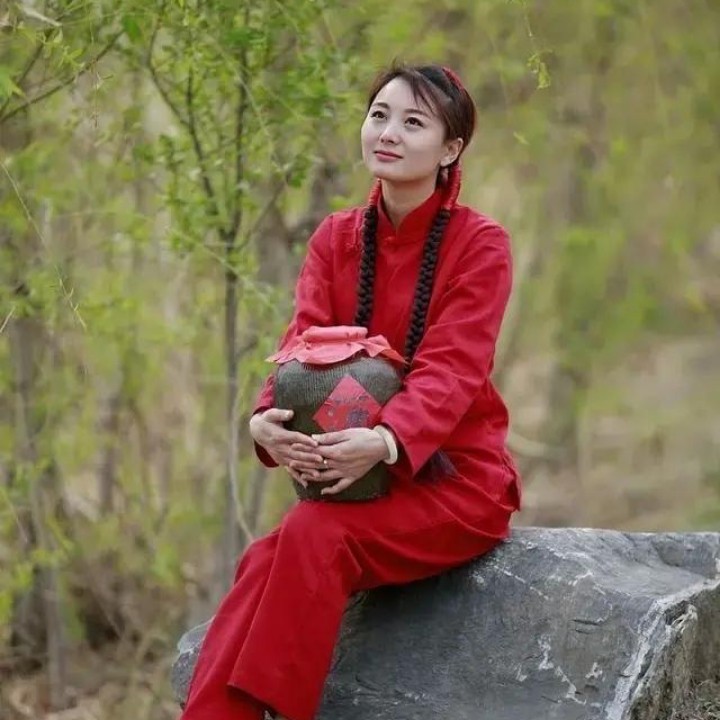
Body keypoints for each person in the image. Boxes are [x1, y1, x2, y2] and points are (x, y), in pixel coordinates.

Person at [179, 62, 521, 720]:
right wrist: (266, 422)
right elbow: (301, 345)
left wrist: (386, 441)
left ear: (450, 149)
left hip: (456, 483)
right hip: (362, 484)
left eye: (413, 123)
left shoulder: (481, 246)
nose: (387, 133)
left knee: (313, 534)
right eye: (379, 115)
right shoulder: (337, 238)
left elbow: (452, 370)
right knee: (265, 559)